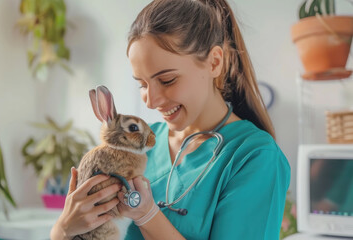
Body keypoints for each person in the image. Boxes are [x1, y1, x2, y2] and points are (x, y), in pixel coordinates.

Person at [50, 0, 291, 239]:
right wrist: (62, 230)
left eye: (167, 80)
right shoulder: (141, 147)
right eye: (142, 84)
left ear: (215, 63)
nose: (150, 101)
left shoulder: (255, 157)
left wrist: (147, 216)